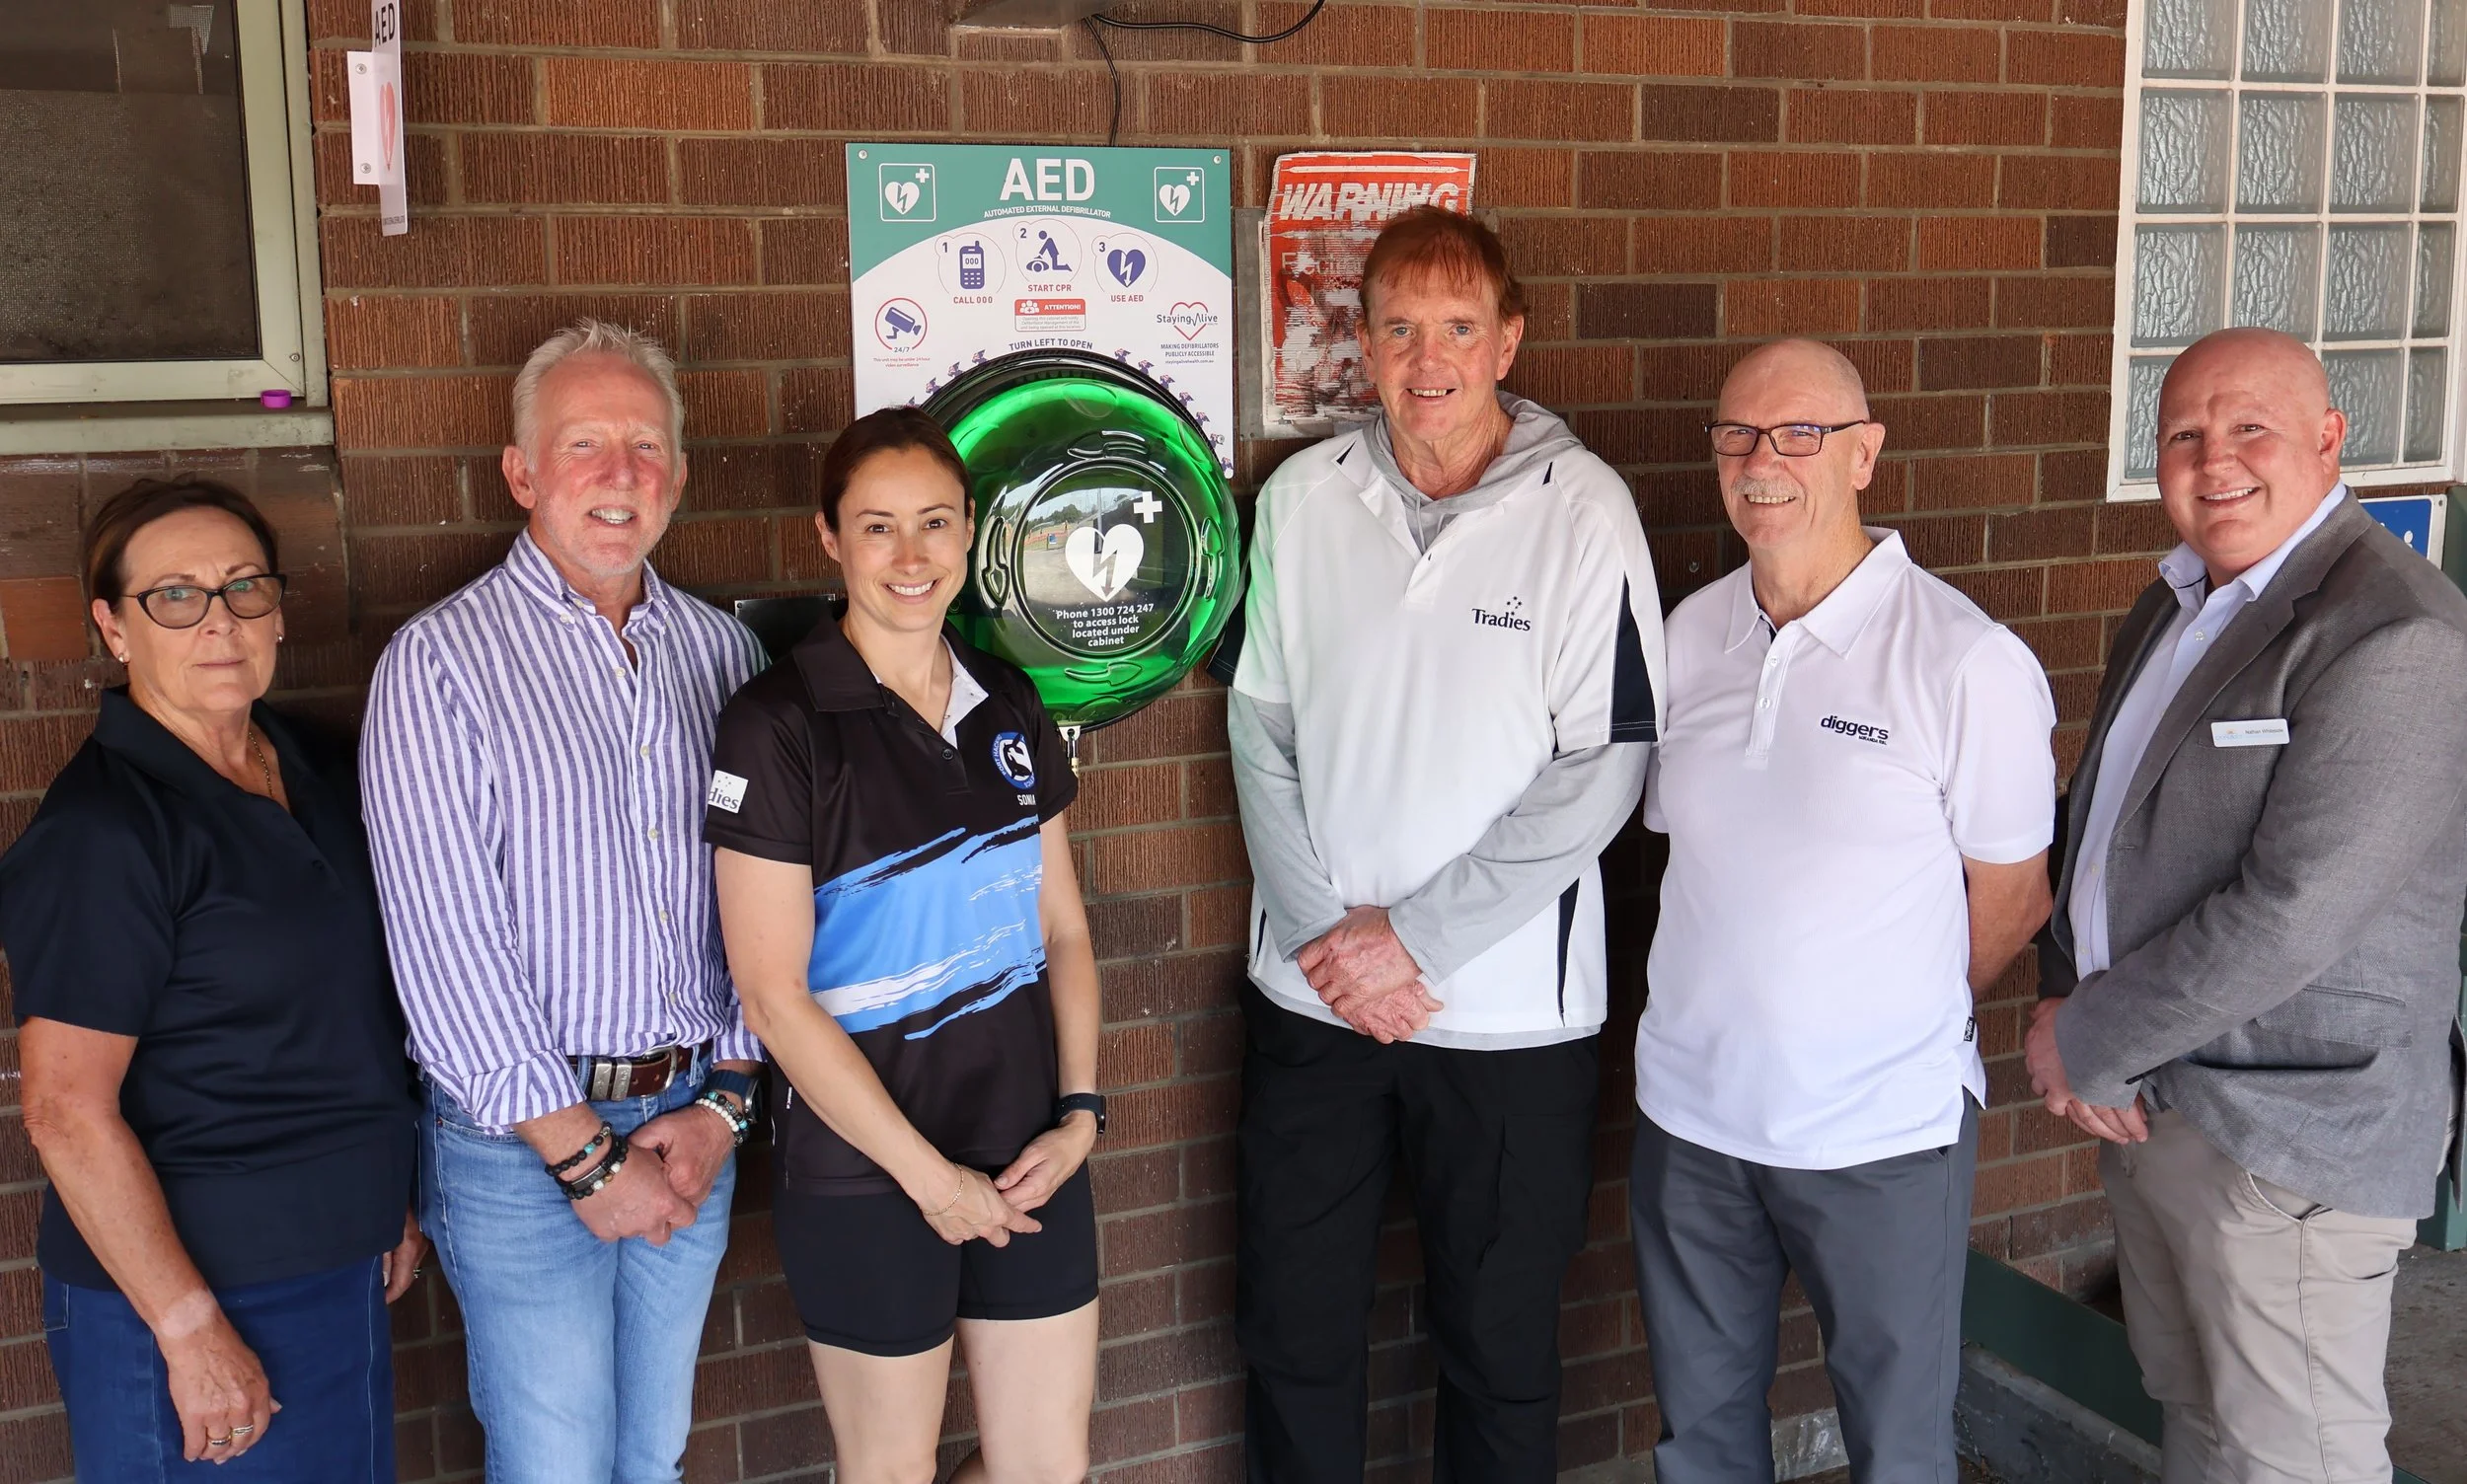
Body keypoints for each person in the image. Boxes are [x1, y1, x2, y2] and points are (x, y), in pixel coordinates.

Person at [1224, 205, 1666, 1484]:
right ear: (1363, 342)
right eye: (1401, 327)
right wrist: (1326, 937)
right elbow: (1260, 725)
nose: (1429, 360)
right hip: (1312, 1007)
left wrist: (1409, 939)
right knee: (1295, 1336)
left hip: (1510, 1025)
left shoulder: (1586, 513)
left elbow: (1609, 763)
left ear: (1508, 339)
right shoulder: (1305, 499)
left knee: (1501, 1355)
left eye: (1459, 327)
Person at [2027, 327, 2467, 1483]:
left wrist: (2083, 1036)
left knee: (2295, 1460)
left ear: (2329, 439)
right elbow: (2103, 829)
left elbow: (2293, 912)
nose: (2213, 459)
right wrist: (2074, 998)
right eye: (2183, 434)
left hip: (2289, 1142)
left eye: (2248, 428)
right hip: (2159, 1104)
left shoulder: (2395, 631)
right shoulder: (2175, 604)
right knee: (2201, 1430)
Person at [1631, 339, 2056, 1483]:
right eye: (1736, 435)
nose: (1762, 462)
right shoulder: (1687, 636)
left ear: (1864, 453)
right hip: (1693, 1121)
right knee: (1701, 1438)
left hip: (1879, 1135)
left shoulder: (1964, 661)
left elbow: (2013, 898)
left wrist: (1886, 1012)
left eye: (1798, 434)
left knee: (1896, 1444)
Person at [359, 321, 768, 1484]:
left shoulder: (721, 657)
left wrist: (730, 1096)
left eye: (646, 445)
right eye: (584, 444)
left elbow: (761, 899)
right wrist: (587, 1161)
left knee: (654, 1454)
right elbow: (448, 950)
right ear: (522, 472)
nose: (621, 473)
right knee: (555, 1463)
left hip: (694, 1115)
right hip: (518, 1149)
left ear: (679, 477)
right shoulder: (441, 663)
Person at [707, 407, 1102, 1484]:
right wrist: (928, 1178)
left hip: (1029, 1148)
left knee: (1044, 1470)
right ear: (829, 540)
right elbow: (772, 994)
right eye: (877, 527)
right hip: (868, 1170)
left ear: (971, 528)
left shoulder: (1009, 698)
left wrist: (1080, 1113)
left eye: (934, 522)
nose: (911, 555)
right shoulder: (777, 724)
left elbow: (1062, 927)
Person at [3, 477, 425, 1480]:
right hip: (190, 1297)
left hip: (338, 1263)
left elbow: (345, 1018)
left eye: (243, 587)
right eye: (175, 596)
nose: (219, 620)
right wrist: (189, 1330)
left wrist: (384, 1200)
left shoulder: (316, 766)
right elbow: (65, 1111)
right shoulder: (102, 834)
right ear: (113, 627)